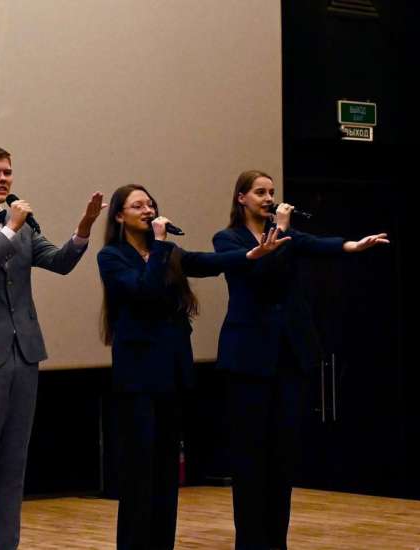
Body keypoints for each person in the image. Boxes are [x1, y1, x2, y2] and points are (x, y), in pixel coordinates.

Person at [0, 144, 106, 550]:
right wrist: (9, 230)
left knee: (14, 462)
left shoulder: (24, 226)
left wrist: (82, 229)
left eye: (8, 172)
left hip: (24, 352)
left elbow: (59, 262)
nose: (4, 179)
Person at [97, 184, 286, 550]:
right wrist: (161, 245)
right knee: (140, 473)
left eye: (150, 203)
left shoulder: (165, 251)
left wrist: (251, 254)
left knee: (167, 472)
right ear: (120, 215)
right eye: (138, 206)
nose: (148, 209)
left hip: (172, 372)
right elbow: (144, 291)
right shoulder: (112, 256)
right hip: (138, 376)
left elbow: (206, 262)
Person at [213, 170, 389, 550]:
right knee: (250, 457)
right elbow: (261, 274)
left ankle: (277, 541)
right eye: (260, 192)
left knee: (281, 457)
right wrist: (279, 230)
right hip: (249, 358)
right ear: (241, 197)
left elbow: (316, 243)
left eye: (272, 191)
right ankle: (251, 542)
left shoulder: (290, 234)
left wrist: (352, 246)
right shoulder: (228, 239)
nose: (268, 197)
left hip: (288, 355)